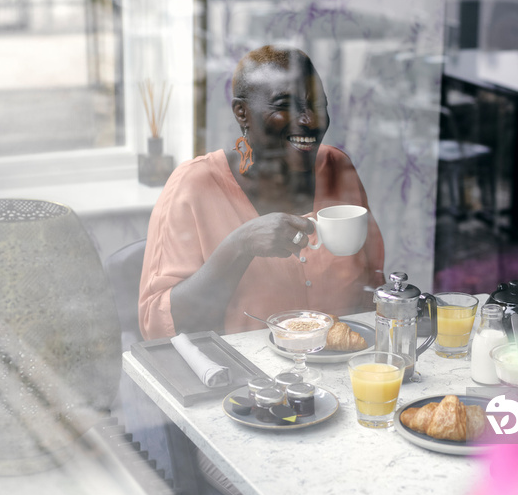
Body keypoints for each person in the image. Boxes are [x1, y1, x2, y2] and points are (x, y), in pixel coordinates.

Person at [139, 45, 384, 340]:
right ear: (242, 113)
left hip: (346, 369)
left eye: (317, 106)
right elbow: (155, 324)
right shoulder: (194, 186)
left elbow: (372, 283)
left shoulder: (337, 166)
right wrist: (240, 246)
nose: (309, 121)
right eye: (285, 105)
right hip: (245, 378)